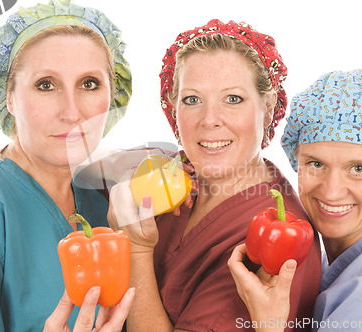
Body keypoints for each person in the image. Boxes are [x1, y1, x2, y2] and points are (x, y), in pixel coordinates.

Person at [107, 19, 321, 332]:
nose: (209, 120)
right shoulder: (168, 172)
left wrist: (136, 249)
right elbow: (75, 170)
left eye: (233, 99)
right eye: (192, 100)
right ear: (172, 107)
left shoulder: (275, 244)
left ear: (268, 106)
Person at [0, 0, 134, 330]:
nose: (72, 113)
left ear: (113, 94)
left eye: (89, 84)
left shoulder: (107, 199)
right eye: (46, 85)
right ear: (8, 97)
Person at [229, 69, 362, 331]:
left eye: (358, 168)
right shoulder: (343, 261)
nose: (331, 191)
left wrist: (268, 325)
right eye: (316, 163)